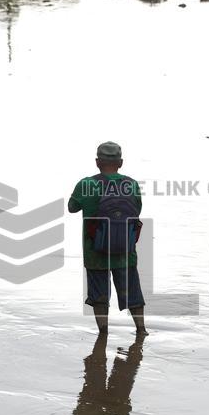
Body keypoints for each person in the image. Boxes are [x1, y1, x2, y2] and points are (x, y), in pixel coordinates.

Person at [68, 142, 146, 334]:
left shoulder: (87, 184)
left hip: (95, 251)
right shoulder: (131, 184)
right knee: (132, 292)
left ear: (97, 162)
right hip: (125, 250)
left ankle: (103, 333)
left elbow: (72, 207)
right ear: (120, 163)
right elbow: (137, 210)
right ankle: (141, 329)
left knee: (99, 295)